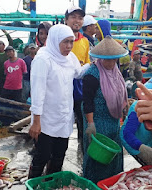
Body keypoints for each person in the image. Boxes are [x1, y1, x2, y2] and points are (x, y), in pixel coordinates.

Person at [28, 24, 90, 178]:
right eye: (65, 42)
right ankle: (33, 184)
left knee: (59, 155)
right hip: (46, 119)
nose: (69, 46)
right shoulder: (43, 59)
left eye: (71, 41)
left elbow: (79, 73)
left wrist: (94, 63)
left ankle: (51, 183)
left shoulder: (69, 58)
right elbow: (37, 92)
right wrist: (36, 122)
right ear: (55, 40)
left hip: (63, 117)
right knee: (42, 156)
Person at [82, 36, 128, 183]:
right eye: (108, 59)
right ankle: (94, 183)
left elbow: (121, 92)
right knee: (98, 156)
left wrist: (124, 108)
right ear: (100, 58)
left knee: (114, 154)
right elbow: (87, 102)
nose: (111, 63)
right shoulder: (92, 74)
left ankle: (112, 183)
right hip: (97, 120)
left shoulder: (116, 71)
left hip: (113, 120)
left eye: (114, 59)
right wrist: (90, 124)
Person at [65, 6, 89, 147]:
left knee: (81, 118)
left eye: (80, 18)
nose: (77, 21)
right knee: (62, 117)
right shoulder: (57, 38)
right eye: (73, 17)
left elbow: (86, 63)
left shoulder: (85, 41)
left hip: (79, 84)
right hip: (63, 83)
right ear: (66, 19)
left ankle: (82, 147)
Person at [0, 31, 14, 96]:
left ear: (4, 45)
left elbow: (11, 42)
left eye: (0, 44)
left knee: (7, 93)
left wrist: (5, 32)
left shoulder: (7, 54)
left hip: (8, 77)